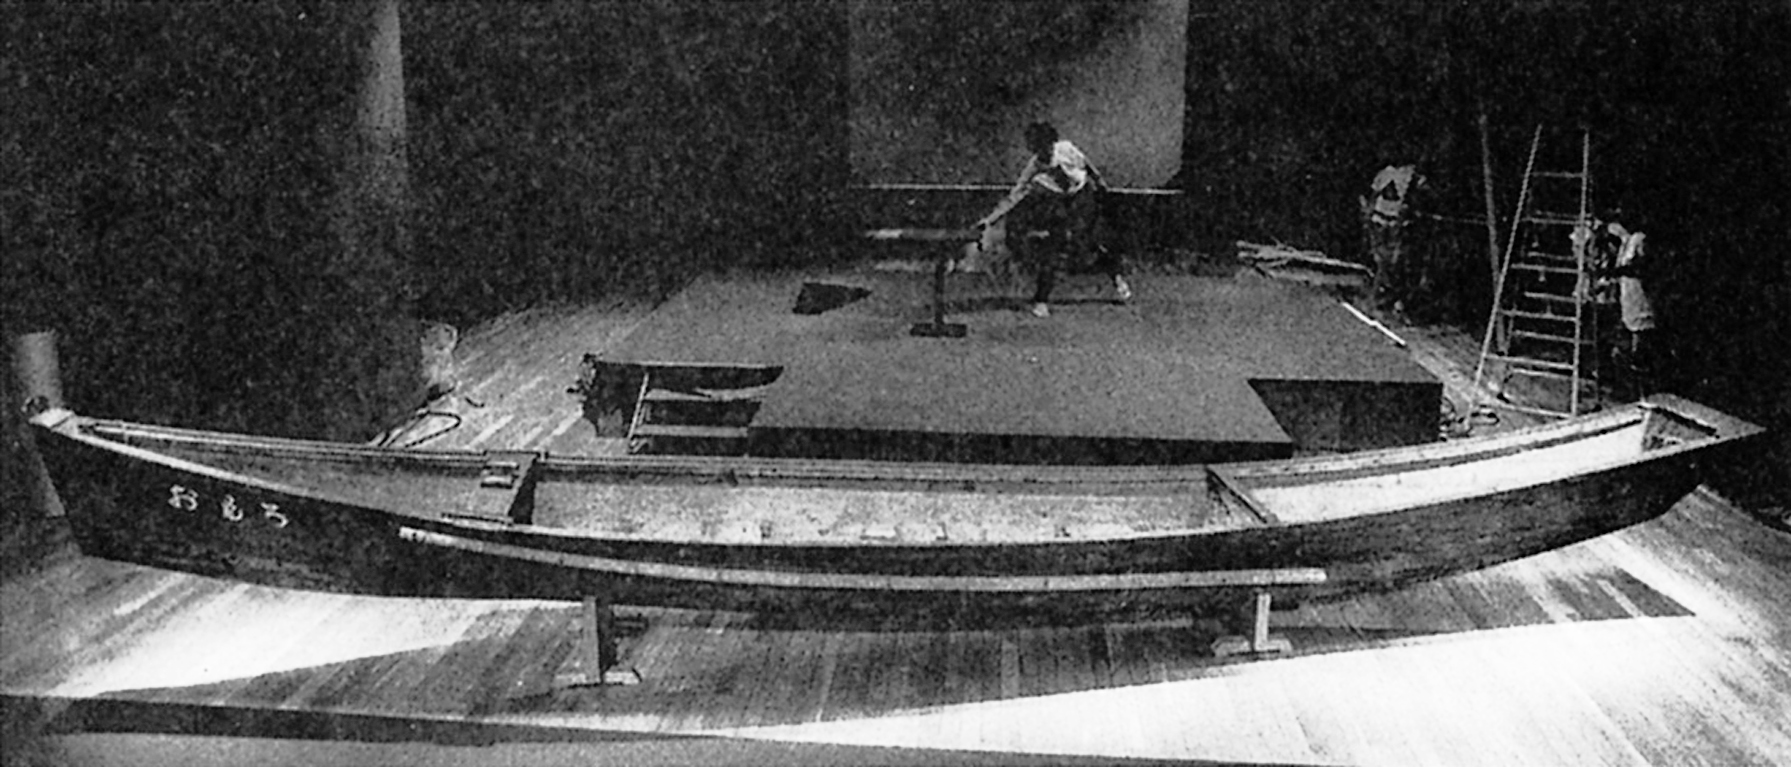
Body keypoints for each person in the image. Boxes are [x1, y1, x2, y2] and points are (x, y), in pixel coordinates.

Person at [974, 121, 1129, 318]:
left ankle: (1116, 276)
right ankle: (1041, 301)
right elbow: (1014, 196)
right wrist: (990, 219)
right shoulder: (1034, 168)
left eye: (1046, 147)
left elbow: (1087, 165)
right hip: (1061, 201)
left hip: (1082, 197)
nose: (1044, 153)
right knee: (1052, 247)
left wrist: (1100, 183)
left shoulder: (1066, 148)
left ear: (1052, 143)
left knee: (1086, 242)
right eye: (1038, 149)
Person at [1600, 222, 1661, 400]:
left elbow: (1642, 266)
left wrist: (1616, 271)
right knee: (1622, 348)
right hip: (1628, 302)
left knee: (1639, 351)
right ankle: (1629, 391)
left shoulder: (1638, 240)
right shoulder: (1624, 244)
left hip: (1640, 302)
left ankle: (1644, 394)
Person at [1360, 162, 1423, 314]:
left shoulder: (1413, 176)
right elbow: (1374, 195)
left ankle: (1384, 296)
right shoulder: (1386, 173)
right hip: (1381, 220)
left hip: (1396, 223)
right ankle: (1376, 297)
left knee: (1393, 261)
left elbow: (1413, 199)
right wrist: (1368, 216)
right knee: (1383, 260)